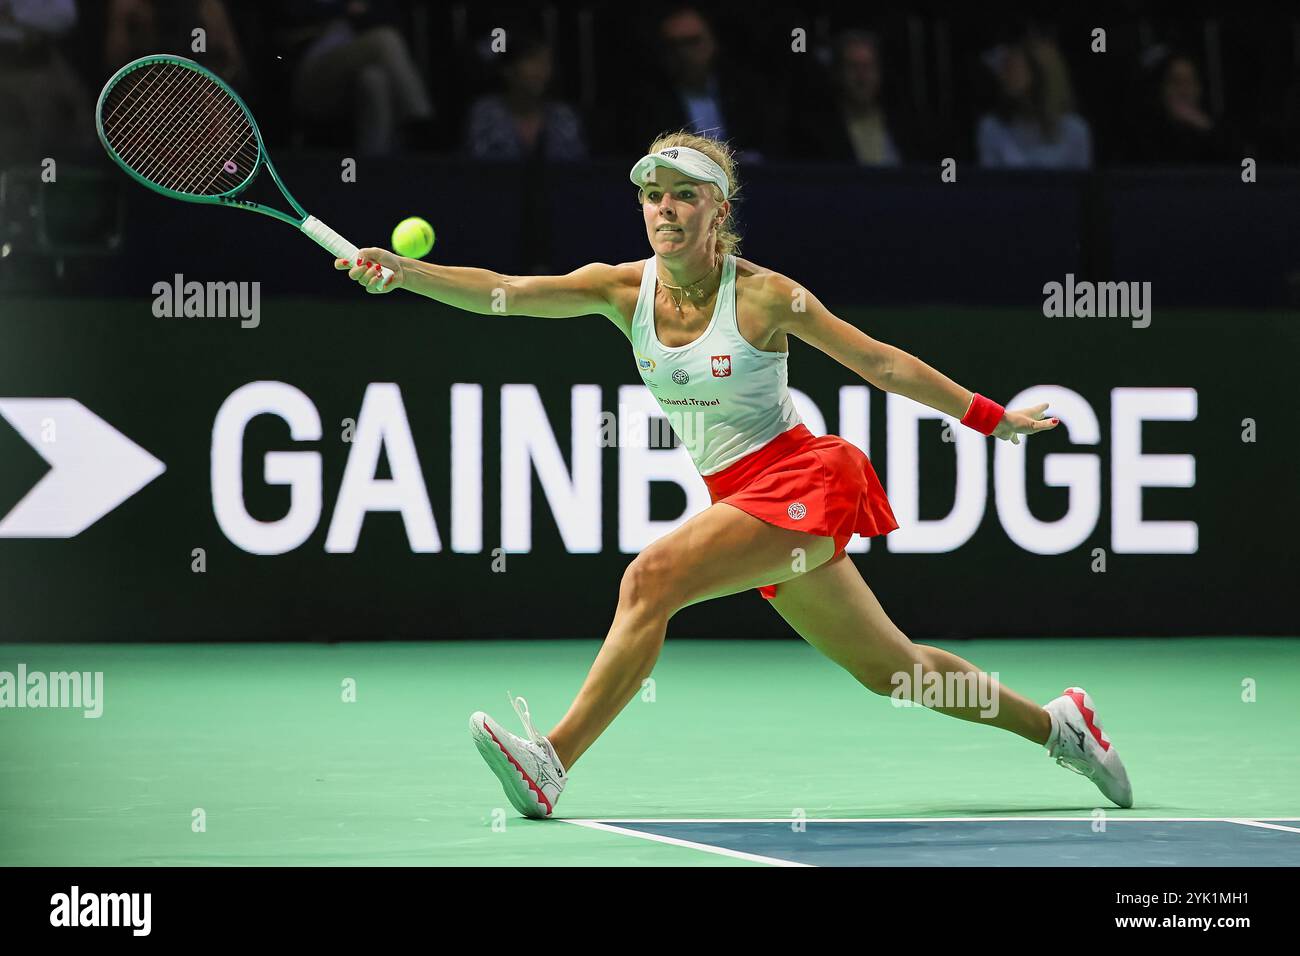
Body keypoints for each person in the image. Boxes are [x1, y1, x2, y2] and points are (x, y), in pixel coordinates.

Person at [333, 131, 1134, 818]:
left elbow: (881, 363)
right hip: (744, 500)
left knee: (652, 580)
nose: (664, 210)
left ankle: (551, 762)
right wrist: (407, 275)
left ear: (720, 210)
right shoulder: (621, 290)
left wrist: (993, 418)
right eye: (652, 195)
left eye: (685, 195)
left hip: (803, 478)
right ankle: (1061, 725)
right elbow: (508, 294)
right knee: (897, 672)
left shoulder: (768, 298)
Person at [977, 40, 1091, 169]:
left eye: (1015, 68)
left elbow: (1080, 185)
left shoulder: (1075, 130)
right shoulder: (992, 128)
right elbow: (991, 185)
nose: (1007, 76)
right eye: (1007, 68)